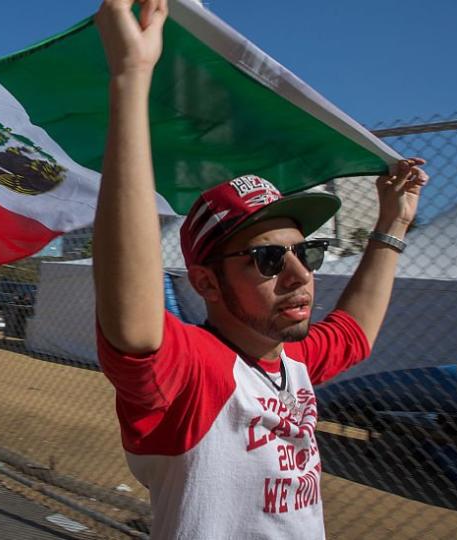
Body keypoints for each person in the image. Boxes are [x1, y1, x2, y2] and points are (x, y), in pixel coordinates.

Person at [92, 2, 430, 538]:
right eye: (269, 258)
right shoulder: (194, 372)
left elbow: (355, 333)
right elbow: (134, 329)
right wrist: (131, 81)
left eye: (305, 252)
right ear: (205, 282)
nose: (300, 274)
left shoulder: (290, 359)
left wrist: (392, 225)